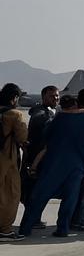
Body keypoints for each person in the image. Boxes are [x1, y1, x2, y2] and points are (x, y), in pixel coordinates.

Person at [19, 93, 84, 237]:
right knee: (70, 198)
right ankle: (63, 229)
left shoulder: (59, 119)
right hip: (78, 165)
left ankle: (25, 228)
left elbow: (46, 135)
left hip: (55, 163)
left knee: (39, 197)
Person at [0, 83, 28, 242]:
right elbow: (22, 137)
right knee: (10, 193)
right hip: (7, 157)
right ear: (14, 98)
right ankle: (5, 230)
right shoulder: (14, 114)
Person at [21, 85, 57, 207]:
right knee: (35, 190)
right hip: (37, 157)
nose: (55, 98)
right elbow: (39, 119)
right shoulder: (42, 113)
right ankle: (33, 219)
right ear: (43, 97)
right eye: (52, 96)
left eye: (57, 95)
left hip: (41, 157)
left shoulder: (47, 112)